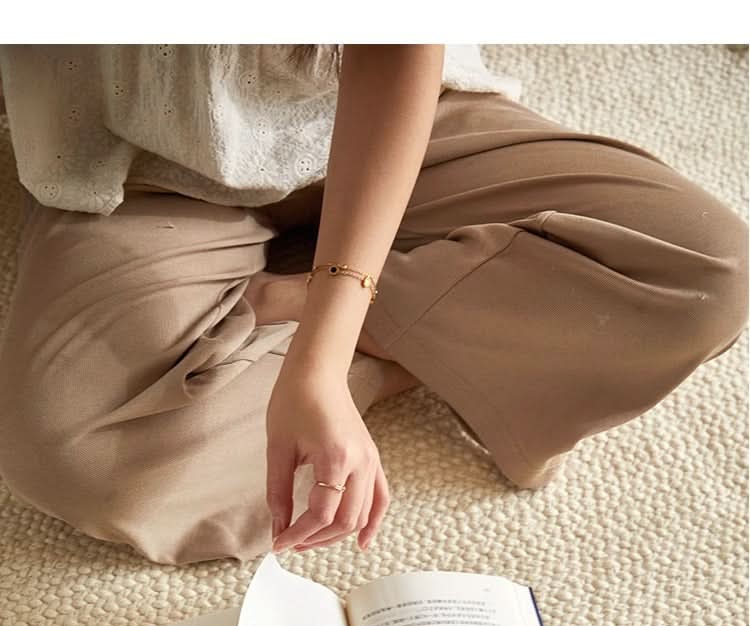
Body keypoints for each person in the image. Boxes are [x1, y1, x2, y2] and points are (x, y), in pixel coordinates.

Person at [0, 44, 746, 566]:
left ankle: (313, 322)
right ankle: (441, 340)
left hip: (393, 118)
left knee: (712, 271)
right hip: (145, 160)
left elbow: (395, 47)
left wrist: (321, 352)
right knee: (75, 457)